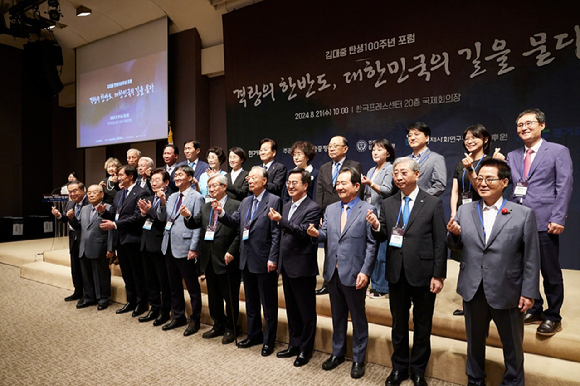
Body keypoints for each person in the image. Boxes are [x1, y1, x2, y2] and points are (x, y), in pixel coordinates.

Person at [447, 158, 540, 386]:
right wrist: (455, 234)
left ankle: (513, 382)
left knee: (513, 347)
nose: (483, 183)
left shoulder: (522, 214)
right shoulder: (464, 210)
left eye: (490, 179)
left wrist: (529, 292)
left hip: (507, 291)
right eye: (480, 179)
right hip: (473, 289)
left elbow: (531, 257)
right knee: (474, 343)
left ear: (505, 182)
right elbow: (455, 246)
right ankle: (475, 380)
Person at [366, 157, 447, 386]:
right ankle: (399, 369)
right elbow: (383, 236)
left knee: (423, 326)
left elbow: (440, 242)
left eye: (403, 173)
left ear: (417, 174)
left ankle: (419, 371)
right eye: (395, 174)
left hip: (423, 273)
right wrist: (375, 226)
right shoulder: (389, 203)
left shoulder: (432, 203)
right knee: (398, 325)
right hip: (397, 273)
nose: (399, 177)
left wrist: (438, 275)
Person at [505, 108, 573, 336]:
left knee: (550, 271)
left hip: (545, 220)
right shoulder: (512, 156)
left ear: (541, 125)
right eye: (519, 125)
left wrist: (558, 217)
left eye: (528, 123)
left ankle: (553, 316)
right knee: (525, 269)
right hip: (518, 220)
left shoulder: (557, 151)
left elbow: (564, 186)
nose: (523, 128)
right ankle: (534, 307)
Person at [307, 167, 377, 379]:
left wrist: (366, 272)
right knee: (337, 316)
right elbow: (326, 234)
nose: (339, 186)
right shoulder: (330, 208)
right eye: (337, 183)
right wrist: (316, 234)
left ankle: (358, 359)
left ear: (357, 186)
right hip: (332, 272)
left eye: (344, 183)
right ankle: (337, 353)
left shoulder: (368, 208)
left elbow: (372, 245)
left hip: (355, 272)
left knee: (357, 318)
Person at [214, 166, 281, 356]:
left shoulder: (274, 200)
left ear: (265, 181)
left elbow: (276, 234)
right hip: (246, 259)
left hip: (264, 259)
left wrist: (273, 257)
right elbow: (235, 222)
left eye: (254, 178)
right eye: (249, 178)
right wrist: (221, 213)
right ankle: (254, 335)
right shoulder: (245, 201)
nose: (249, 181)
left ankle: (269, 340)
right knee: (251, 302)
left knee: (268, 304)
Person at [269, 169, 322, 367]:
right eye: (288, 182)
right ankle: (294, 344)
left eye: (295, 183)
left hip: (302, 266)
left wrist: (280, 221)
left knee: (306, 312)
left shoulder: (313, 208)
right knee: (291, 310)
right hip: (286, 265)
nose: (290, 186)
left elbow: (302, 233)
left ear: (306, 185)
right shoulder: (286, 204)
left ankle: (305, 350)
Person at [182, 174, 242, 345]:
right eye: (209, 186)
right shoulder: (206, 207)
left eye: (215, 185)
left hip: (227, 258)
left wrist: (231, 251)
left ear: (224, 186)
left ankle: (231, 328)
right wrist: (187, 216)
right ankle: (218, 324)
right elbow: (195, 223)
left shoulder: (236, 205)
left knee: (229, 297)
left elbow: (238, 232)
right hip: (208, 257)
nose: (212, 189)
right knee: (213, 297)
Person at [449, 124, 492, 316]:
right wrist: (453, 213)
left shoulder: (490, 163)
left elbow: (481, 189)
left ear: (485, 140)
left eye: (474, 137)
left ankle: (487, 300)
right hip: (463, 214)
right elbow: (455, 191)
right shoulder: (461, 163)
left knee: (482, 258)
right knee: (465, 259)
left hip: (483, 214)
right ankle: (466, 301)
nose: (469, 141)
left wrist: (471, 169)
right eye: (466, 138)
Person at [157, 166, 205, 337]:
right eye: (175, 175)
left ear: (190, 178)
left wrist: (194, 248)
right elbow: (165, 218)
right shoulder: (171, 197)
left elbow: (198, 225)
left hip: (186, 248)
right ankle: (178, 316)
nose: (176, 178)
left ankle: (195, 320)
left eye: (180, 175)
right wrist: (162, 202)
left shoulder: (197, 197)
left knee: (192, 287)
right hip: (169, 245)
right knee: (174, 285)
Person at [97, 165, 149, 317]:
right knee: (126, 273)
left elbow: (137, 217)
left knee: (137, 273)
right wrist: (104, 212)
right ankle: (130, 301)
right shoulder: (119, 194)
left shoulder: (141, 192)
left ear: (130, 176)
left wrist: (115, 225)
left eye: (121, 175)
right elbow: (114, 213)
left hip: (133, 239)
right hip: (121, 239)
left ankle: (141, 303)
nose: (118, 177)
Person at [315, 136, 364, 295]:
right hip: (329, 213)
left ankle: (349, 279)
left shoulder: (355, 165)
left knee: (347, 247)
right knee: (329, 248)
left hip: (348, 212)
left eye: (335, 145)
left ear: (345, 148)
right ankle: (328, 283)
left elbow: (359, 191)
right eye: (329, 146)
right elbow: (320, 192)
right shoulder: (324, 167)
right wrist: (320, 214)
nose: (331, 148)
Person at [136, 168, 172, 326]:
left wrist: (149, 211)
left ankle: (165, 312)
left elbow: (163, 219)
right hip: (146, 243)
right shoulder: (149, 198)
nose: (154, 183)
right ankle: (154, 308)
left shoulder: (170, 198)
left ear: (166, 182)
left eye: (158, 180)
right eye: (152, 180)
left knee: (163, 281)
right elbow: (142, 220)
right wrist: (144, 213)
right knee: (149, 280)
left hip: (159, 245)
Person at [70, 184, 114, 310]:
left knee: (101, 274)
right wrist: (72, 218)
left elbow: (111, 230)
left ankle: (103, 298)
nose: (91, 195)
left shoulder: (108, 208)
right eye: (89, 193)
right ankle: (89, 297)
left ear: (102, 194)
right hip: (84, 246)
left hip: (100, 245)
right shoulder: (85, 209)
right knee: (86, 274)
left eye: (94, 192)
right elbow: (79, 226)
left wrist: (110, 248)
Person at [361, 138, 396, 299]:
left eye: (379, 149)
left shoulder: (390, 169)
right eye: (374, 149)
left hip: (383, 215)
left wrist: (370, 184)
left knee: (382, 254)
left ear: (388, 153)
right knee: (371, 251)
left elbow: (388, 191)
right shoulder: (370, 170)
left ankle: (382, 287)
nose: (375, 152)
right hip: (369, 213)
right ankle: (374, 283)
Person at [51, 181, 88, 302]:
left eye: (75, 191)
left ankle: (87, 294)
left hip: (85, 238)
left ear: (83, 190)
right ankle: (77, 291)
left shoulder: (89, 204)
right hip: (73, 238)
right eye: (70, 192)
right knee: (75, 267)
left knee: (84, 268)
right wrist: (59, 215)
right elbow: (66, 218)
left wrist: (71, 218)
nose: (72, 194)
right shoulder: (70, 203)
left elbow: (81, 224)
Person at [406, 122, 446, 197]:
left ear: (427, 138)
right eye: (410, 135)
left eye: (416, 134)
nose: (412, 138)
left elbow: (439, 185)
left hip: (425, 204)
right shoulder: (404, 160)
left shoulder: (436, 158)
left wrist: (419, 197)